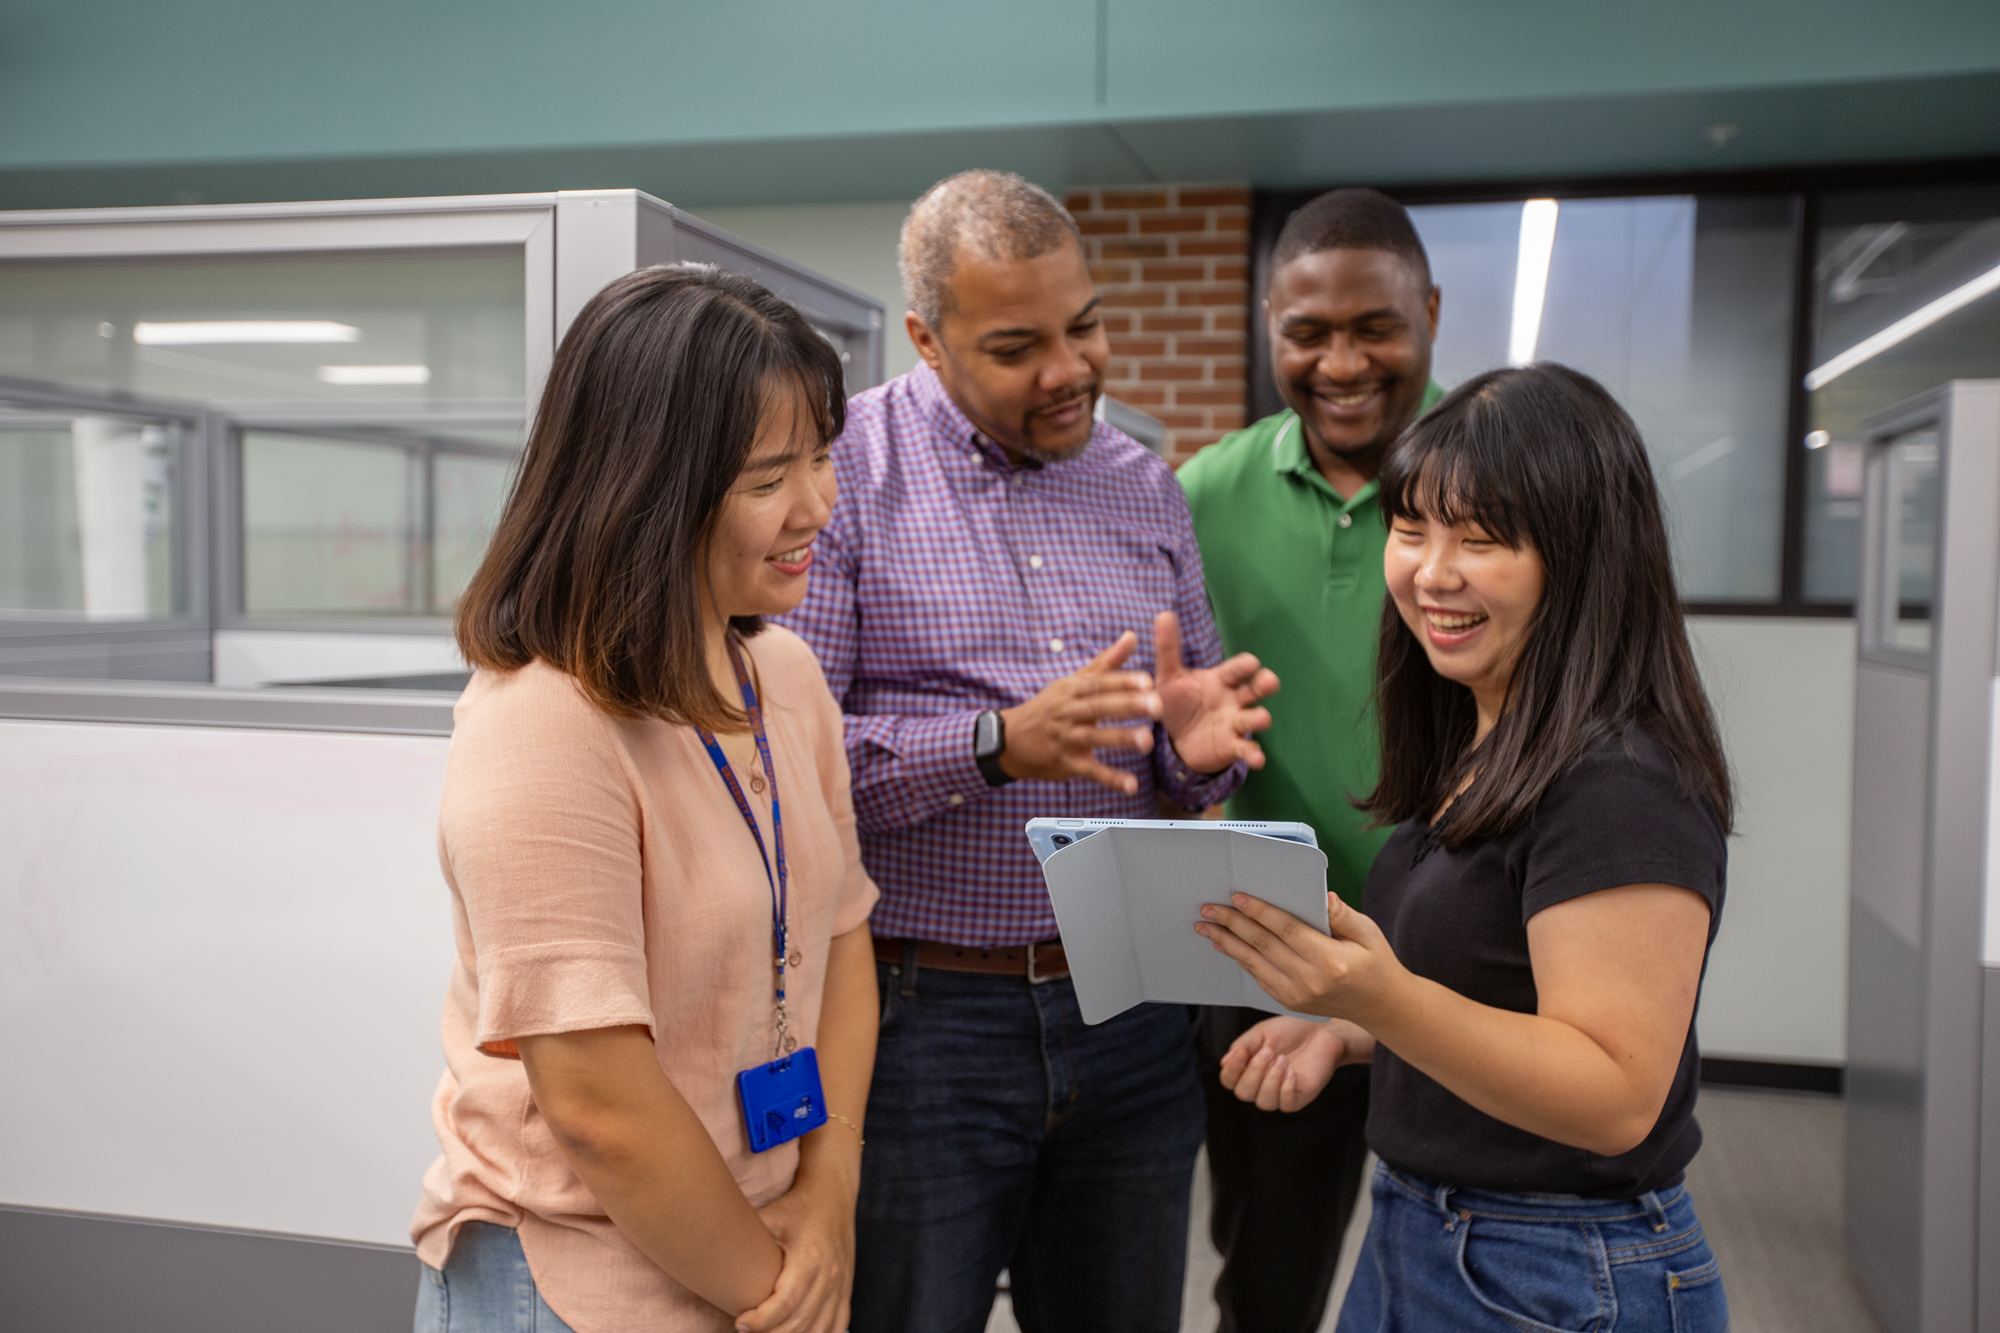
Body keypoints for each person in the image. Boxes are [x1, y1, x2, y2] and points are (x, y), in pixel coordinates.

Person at [778, 169, 1280, 1333]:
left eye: (1084, 325)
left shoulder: (1143, 486)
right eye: (1015, 347)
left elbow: (1177, 750)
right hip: (919, 1026)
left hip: (1135, 1009)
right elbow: (792, 768)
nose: (1069, 370)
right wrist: (994, 746)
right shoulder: (838, 475)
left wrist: (1197, 754)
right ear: (926, 337)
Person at [1198, 363, 1732, 1332]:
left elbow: (1613, 1092)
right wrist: (1350, 1029)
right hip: (1429, 1233)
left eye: (1479, 539)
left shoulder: (1618, 782)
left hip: (1560, 1270)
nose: (1430, 571)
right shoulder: (1482, 738)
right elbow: (1499, 992)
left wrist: (1381, 997)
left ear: (1581, 558)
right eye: (1410, 528)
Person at [410, 263, 879, 1333]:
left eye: (820, 457)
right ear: (649, 492)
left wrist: (827, 1196)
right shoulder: (544, 721)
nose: (816, 504)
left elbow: (844, 936)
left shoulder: (785, 681)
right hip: (577, 1280)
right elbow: (596, 1107)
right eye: (768, 479)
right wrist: (779, 1290)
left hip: (764, 1243)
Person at [1175, 187, 1444, 1333]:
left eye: (1373, 326)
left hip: (1460, 940)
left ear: (1429, 313)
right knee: (1269, 1273)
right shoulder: (1197, 495)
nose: (1342, 362)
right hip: (1273, 948)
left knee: (1461, 1249)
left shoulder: (1491, 482)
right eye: (1305, 333)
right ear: (1264, 328)